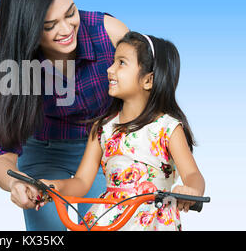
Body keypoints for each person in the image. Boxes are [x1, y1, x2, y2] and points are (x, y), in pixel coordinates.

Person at [0, 0, 129, 231]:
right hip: (44, 153)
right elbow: (2, 158)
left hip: (102, 148)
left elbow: (149, 98)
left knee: (107, 223)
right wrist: (16, 183)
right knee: (49, 230)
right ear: (27, 31)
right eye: (50, 25)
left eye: (71, 13)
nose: (66, 30)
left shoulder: (109, 33)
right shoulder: (14, 68)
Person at [41, 31, 206, 230]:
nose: (110, 69)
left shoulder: (167, 128)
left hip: (153, 221)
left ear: (148, 80)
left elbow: (192, 174)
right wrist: (55, 187)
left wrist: (192, 190)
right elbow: (82, 181)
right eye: (113, 61)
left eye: (121, 63)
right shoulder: (102, 129)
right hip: (109, 216)